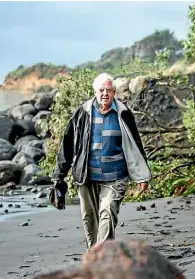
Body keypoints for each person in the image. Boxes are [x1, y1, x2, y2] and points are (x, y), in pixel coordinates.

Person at [52, 72, 152, 250]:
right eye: (101, 90)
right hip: (87, 177)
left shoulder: (123, 113)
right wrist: (59, 174)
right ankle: (94, 255)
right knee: (89, 219)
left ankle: (102, 258)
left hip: (116, 177)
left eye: (108, 90)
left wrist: (141, 176)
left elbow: (135, 144)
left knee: (107, 214)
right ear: (95, 92)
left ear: (114, 92)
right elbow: (67, 143)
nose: (105, 93)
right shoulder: (83, 112)